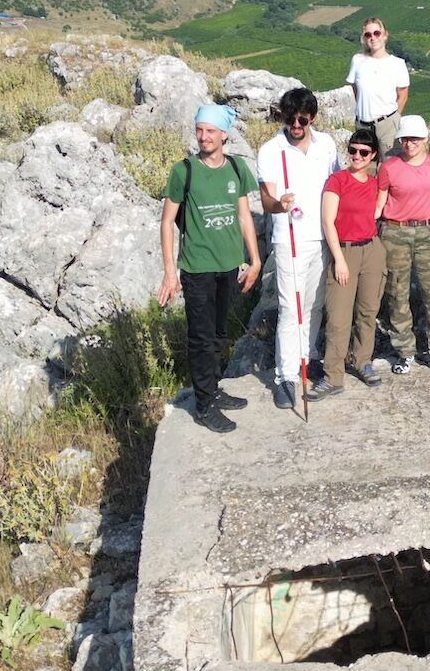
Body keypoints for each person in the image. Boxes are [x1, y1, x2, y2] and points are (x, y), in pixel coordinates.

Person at [156, 104, 261, 428]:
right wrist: (170, 272)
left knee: (217, 333)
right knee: (201, 337)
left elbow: (244, 215)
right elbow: (167, 223)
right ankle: (203, 404)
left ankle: (213, 389)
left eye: (210, 131)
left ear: (224, 135)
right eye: (199, 130)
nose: (203, 137)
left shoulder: (236, 169)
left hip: (229, 266)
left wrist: (255, 259)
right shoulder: (183, 171)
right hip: (197, 268)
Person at [258, 87, 337, 411]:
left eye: (302, 119)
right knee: (291, 309)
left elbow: (335, 186)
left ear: (312, 118)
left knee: (315, 305)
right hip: (288, 237)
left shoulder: (328, 145)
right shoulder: (270, 150)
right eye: (289, 119)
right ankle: (285, 376)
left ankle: (305, 359)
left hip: (321, 236)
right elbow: (266, 200)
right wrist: (280, 204)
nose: (295, 125)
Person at [311, 127, 387, 399]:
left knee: (368, 311)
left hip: (372, 249)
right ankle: (333, 375)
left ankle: (362, 360)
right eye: (353, 150)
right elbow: (327, 221)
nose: (357, 155)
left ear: (373, 155)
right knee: (339, 317)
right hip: (344, 251)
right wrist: (339, 260)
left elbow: (378, 209)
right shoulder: (337, 180)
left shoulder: (375, 183)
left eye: (363, 152)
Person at [377, 114, 430, 376]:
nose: (410, 143)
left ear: (425, 139)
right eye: (405, 138)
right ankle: (405, 350)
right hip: (394, 232)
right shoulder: (388, 167)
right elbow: (379, 203)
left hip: (427, 231)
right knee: (397, 294)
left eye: (415, 138)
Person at [346, 18, 409, 158]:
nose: (373, 38)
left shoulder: (397, 64)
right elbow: (355, 89)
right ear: (364, 38)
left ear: (385, 35)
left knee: (388, 167)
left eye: (377, 33)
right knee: (363, 167)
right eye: (368, 35)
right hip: (362, 124)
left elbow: (403, 95)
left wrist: (391, 119)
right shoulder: (357, 60)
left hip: (387, 124)